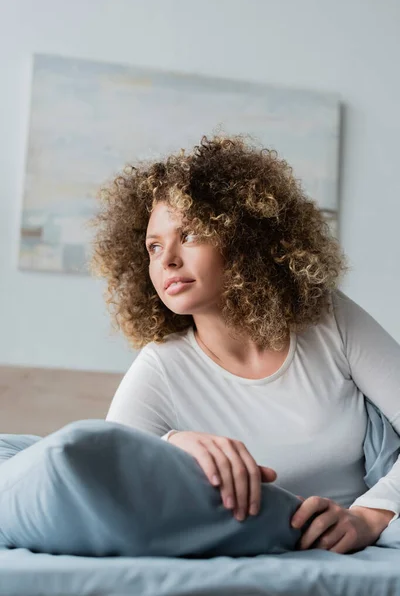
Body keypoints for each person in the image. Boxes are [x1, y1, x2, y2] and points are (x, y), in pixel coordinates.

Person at [90, 134, 400, 554]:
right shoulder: (161, 368)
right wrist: (170, 445)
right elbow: (99, 478)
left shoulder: (328, 318)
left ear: (243, 239)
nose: (167, 261)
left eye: (192, 235)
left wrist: (368, 517)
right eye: (154, 246)